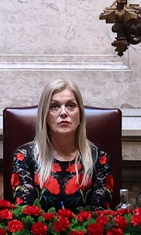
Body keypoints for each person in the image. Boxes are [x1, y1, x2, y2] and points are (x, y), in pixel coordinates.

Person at [10, 78, 113, 210]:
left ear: (80, 114)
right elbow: (24, 213)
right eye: (55, 106)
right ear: (45, 115)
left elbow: (101, 215)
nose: (63, 113)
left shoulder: (99, 158)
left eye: (71, 105)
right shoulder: (24, 157)